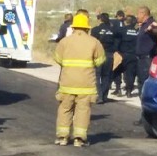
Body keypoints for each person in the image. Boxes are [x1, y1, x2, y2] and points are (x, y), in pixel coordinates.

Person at [53, 13, 106, 147]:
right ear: (87, 28)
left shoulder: (65, 41)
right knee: (83, 110)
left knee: (65, 109)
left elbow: (58, 59)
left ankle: (62, 137)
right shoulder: (94, 42)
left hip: (67, 83)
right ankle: (79, 138)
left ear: (74, 27)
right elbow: (100, 60)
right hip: (86, 84)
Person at [91, 13, 116, 104]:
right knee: (106, 75)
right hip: (109, 54)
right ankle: (104, 96)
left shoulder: (95, 30)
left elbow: (92, 43)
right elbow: (117, 43)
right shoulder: (113, 30)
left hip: (98, 54)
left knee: (97, 76)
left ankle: (99, 96)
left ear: (100, 19)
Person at [135, 6, 157, 95]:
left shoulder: (151, 23)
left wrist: (152, 28)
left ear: (143, 14)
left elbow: (155, 30)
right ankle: (143, 103)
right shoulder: (142, 25)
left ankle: (146, 104)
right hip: (140, 59)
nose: (137, 16)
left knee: (145, 82)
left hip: (147, 59)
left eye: (138, 14)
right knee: (140, 82)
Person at [113, 14, 139, 97]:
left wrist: (115, 50)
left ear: (125, 21)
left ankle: (118, 89)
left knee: (116, 71)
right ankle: (129, 91)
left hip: (122, 55)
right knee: (130, 74)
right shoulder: (137, 32)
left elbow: (116, 41)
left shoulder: (121, 30)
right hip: (133, 56)